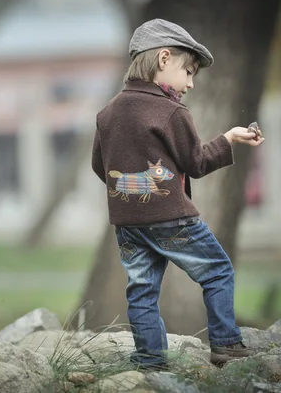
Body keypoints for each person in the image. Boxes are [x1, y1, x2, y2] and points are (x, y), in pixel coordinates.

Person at [90, 18, 264, 368]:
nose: (191, 83)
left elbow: (101, 167)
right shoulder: (171, 111)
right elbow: (197, 163)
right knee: (217, 271)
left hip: (128, 222)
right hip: (172, 218)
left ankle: (150, 358)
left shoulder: (107, 113)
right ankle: (226, 344)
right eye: (189, 71)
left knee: (141, 289)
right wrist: (228, 138)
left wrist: (133, 195)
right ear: (164, 59)